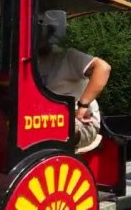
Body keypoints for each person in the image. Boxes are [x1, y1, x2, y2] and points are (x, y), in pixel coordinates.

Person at [38, 11, 111, 153]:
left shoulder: (67, 56)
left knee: (53, 130)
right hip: (41, 121)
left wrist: (81, 107)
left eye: (38, 32)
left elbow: (103, 68)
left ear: (48, 33)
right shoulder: (30, 63)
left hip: (81, 123)